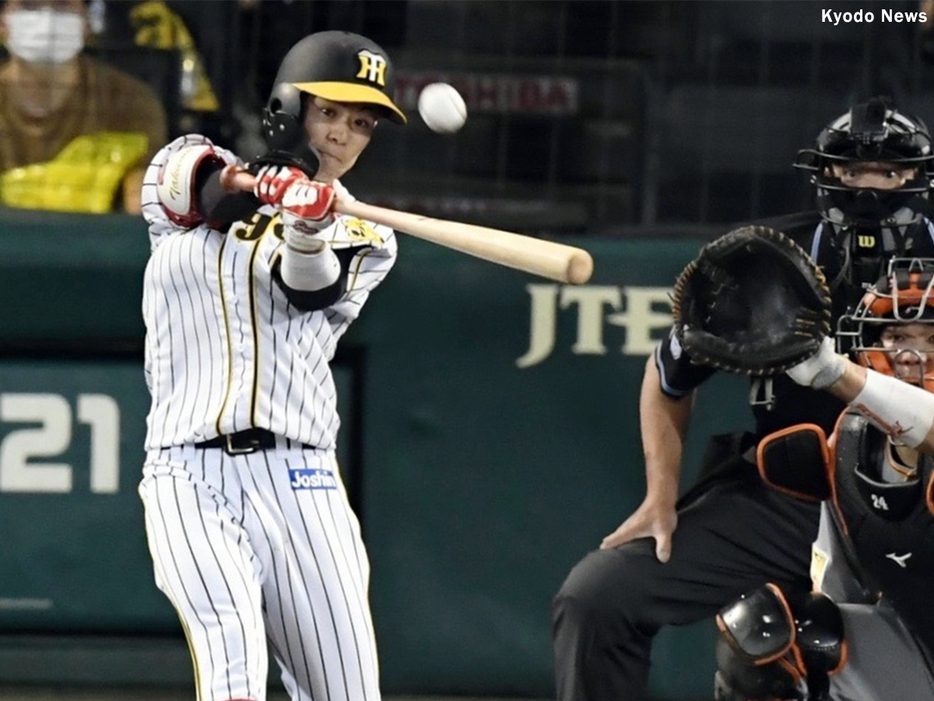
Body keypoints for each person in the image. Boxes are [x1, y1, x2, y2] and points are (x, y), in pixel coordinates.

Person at [552, 96, 934, 701]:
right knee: (598, 596)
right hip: (785, 499)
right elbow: (669, 374)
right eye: (852, 171)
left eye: (890, 173)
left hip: (921, 508)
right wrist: (660, 496)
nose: (870, 189)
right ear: (824, 175)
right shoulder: (769, 259)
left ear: (920, 178)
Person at [137, 30, 406, 701]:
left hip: (301, 477)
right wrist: (257, 183)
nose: (343, 135)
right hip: (186, 469)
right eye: (330, 112)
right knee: (232, 669)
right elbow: (195, 194)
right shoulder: (186, 157)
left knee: (346, 691)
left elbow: (306, 288)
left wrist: (309, 225)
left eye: (361, 124)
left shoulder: (366, 232)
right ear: (287, 105)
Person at [714, 259, 934, 701]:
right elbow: (836, 594)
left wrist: (837, 374)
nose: (913, 356)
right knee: (774, 633)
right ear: (869, 344)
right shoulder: (850, 440)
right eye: (897, 337)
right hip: (921, 648)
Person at [0, 0, 167, 213]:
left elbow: (143, 200)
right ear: (3, 21)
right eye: (29, 5)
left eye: (63, 6)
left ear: (87, 22)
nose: (47, 20)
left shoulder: (130, 100)